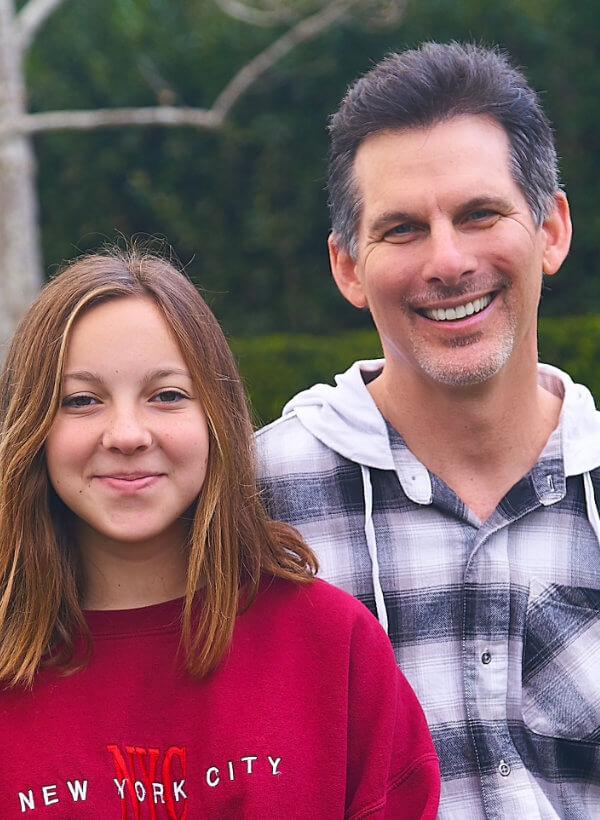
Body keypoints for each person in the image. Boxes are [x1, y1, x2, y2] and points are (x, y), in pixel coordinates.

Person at [256, 42, 600, 818]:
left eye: (480, 214)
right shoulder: (250, 506)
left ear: (550, 229)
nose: (447, 261)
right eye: (403, 229)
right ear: (347, 266)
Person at [0, 250, 440, 819]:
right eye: (81, 400)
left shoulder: (332, 647)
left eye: (168, 395)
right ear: (31, 427)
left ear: (218, 419)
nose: (128, 434)